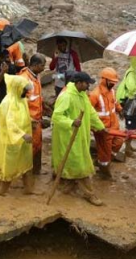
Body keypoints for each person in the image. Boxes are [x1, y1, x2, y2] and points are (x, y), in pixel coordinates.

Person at [51, 71, 105, 206]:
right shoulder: (66, 96)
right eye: (87, 84)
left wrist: (100, 126)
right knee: (81, 166)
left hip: (80, 136)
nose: (88, 87)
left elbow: (91, 112)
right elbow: (56, 117)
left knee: (72, 165)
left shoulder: (82, 95)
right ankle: (90, 194)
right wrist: (71, 122)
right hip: (69, 137)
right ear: (79, 83)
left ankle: (66, 189)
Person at [0, 74, 35, 196]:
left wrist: (32, 121)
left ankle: (28, 190)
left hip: (23, 139)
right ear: (17, 88)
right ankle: (2, 192)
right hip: (10, 140)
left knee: (27, 165)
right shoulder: (8, 102)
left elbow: (22, 116)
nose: (26, 92)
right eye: (24, 89)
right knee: (9, 168)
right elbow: (10, 123)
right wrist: (23, 135)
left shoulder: (21, 100)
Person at [89, 67, 124, 179]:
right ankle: (105, 172)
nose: (113, 84)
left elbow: (115, 102)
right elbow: (88, 112)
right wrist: (94, 127)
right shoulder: (95, 95)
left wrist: (120, 110)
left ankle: (103, 162)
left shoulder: (112, 91)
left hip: (114, 126)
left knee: (119, 141)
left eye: (114, 82)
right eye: (111, 82)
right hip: (103, 129)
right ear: (104, 80)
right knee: (105, 151)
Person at [19, 53, 48, 175]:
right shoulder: (24, 79)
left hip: (37, 119)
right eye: (42, 65)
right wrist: (28, 119)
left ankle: (35, 172)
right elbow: (19, 103)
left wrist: (45, 107)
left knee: (37, 146)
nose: (44, 68)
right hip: (29, 120)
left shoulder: (36, 76)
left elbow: (36, 97)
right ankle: (27, 174)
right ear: (35, 65)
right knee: (29, 148)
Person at [116, 57, 136, 156]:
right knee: (130, 125)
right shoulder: (131, 74)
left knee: (133, 125)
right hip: (129, 103)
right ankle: (127, 149)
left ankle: (129, 145)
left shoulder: (135, 73)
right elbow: (133, 89)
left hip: (133, 103)